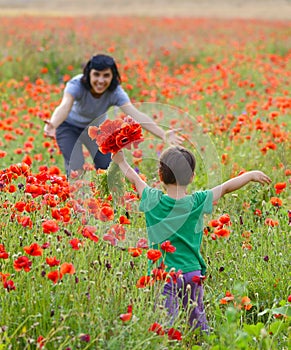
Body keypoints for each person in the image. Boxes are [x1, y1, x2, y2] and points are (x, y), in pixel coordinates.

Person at [112, 145, 271, 332]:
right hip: (192, 273)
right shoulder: (197, 201)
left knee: (167, 326)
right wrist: (250, 175)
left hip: (165, 275)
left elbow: (134, 178)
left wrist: (121, 161)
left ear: (160, 175)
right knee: (197, 320)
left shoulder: (152, 199)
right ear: (192, 177)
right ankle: (206, 341)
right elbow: (227, 187)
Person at [44, 54, 182, 177]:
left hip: (97, 129)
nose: (101, 80)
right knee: (75, 165)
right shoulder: (77, 84)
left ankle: (104, 201)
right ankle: (77, 200)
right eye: (96, 74)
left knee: (107, 167)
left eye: (106, 75)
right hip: (69, 127)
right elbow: (65, 106)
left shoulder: (115, 92)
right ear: (88, 74)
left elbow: (135, 114)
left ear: (113, 76)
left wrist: (162, 134)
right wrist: (53, 124)